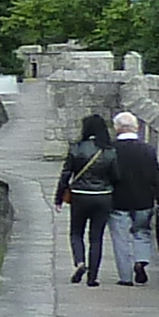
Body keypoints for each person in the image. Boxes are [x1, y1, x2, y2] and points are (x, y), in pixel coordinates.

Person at [108, 110, 159, 287]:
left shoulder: (111, 150)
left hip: (117, 201)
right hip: (144, 200)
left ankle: (125, 277)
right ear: (137, 128)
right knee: (142, 232)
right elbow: (156, 177)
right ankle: (141, 261)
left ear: (117, 128)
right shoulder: (147, 150)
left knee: (120, 239)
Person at [54, 113, 117, 284]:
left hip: (80, 196)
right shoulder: (109, 151)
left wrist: (58, 198)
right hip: (103, 197)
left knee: (76, 232)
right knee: (96, 237)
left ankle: (80, 262)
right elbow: (116, 176)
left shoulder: (76, 148)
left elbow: (66, 174)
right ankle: (93, 277)